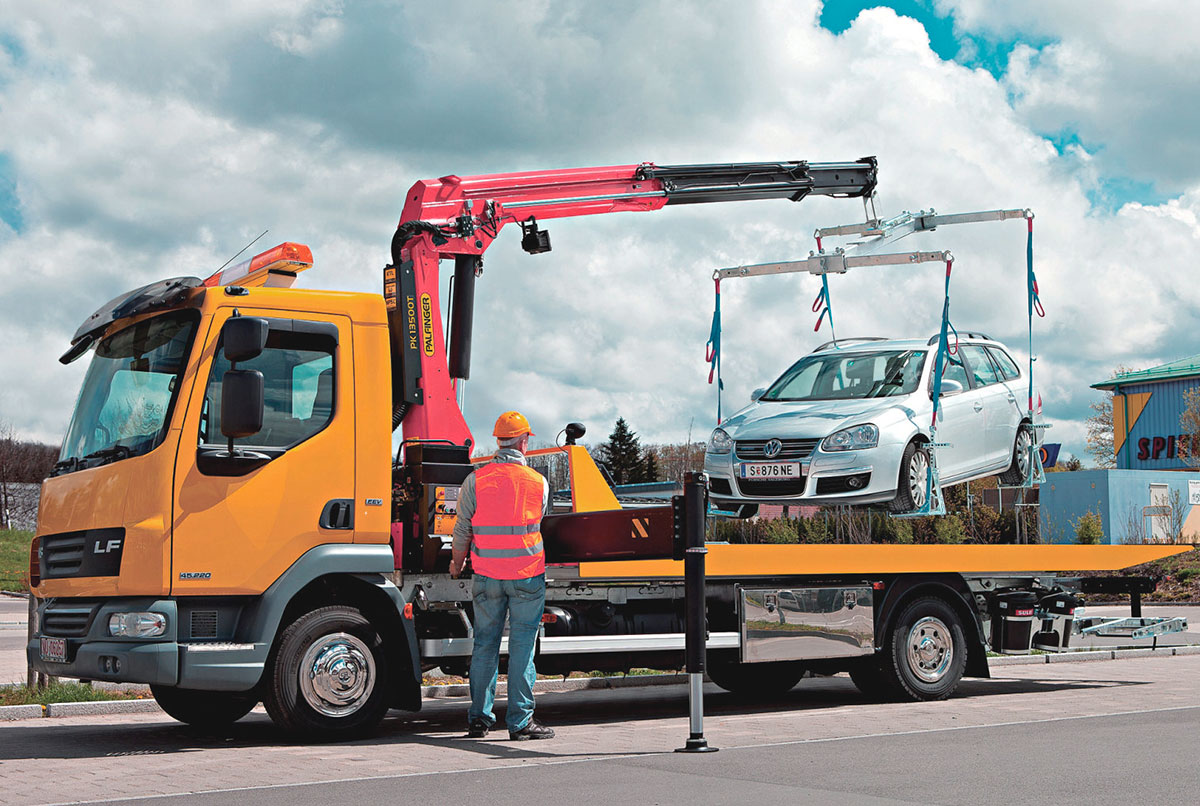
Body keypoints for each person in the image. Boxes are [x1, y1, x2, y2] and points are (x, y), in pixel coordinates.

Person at [450, 411, 555, 741]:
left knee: (485, 645)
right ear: (524, 441)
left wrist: (456, 564)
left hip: (487, 576)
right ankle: (521, 723)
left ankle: (479, 719)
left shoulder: (476, 480)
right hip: (527, 576)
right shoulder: (538, 482)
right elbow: (540, 520)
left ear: (498, 441)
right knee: (523, 646)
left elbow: (462, 529)